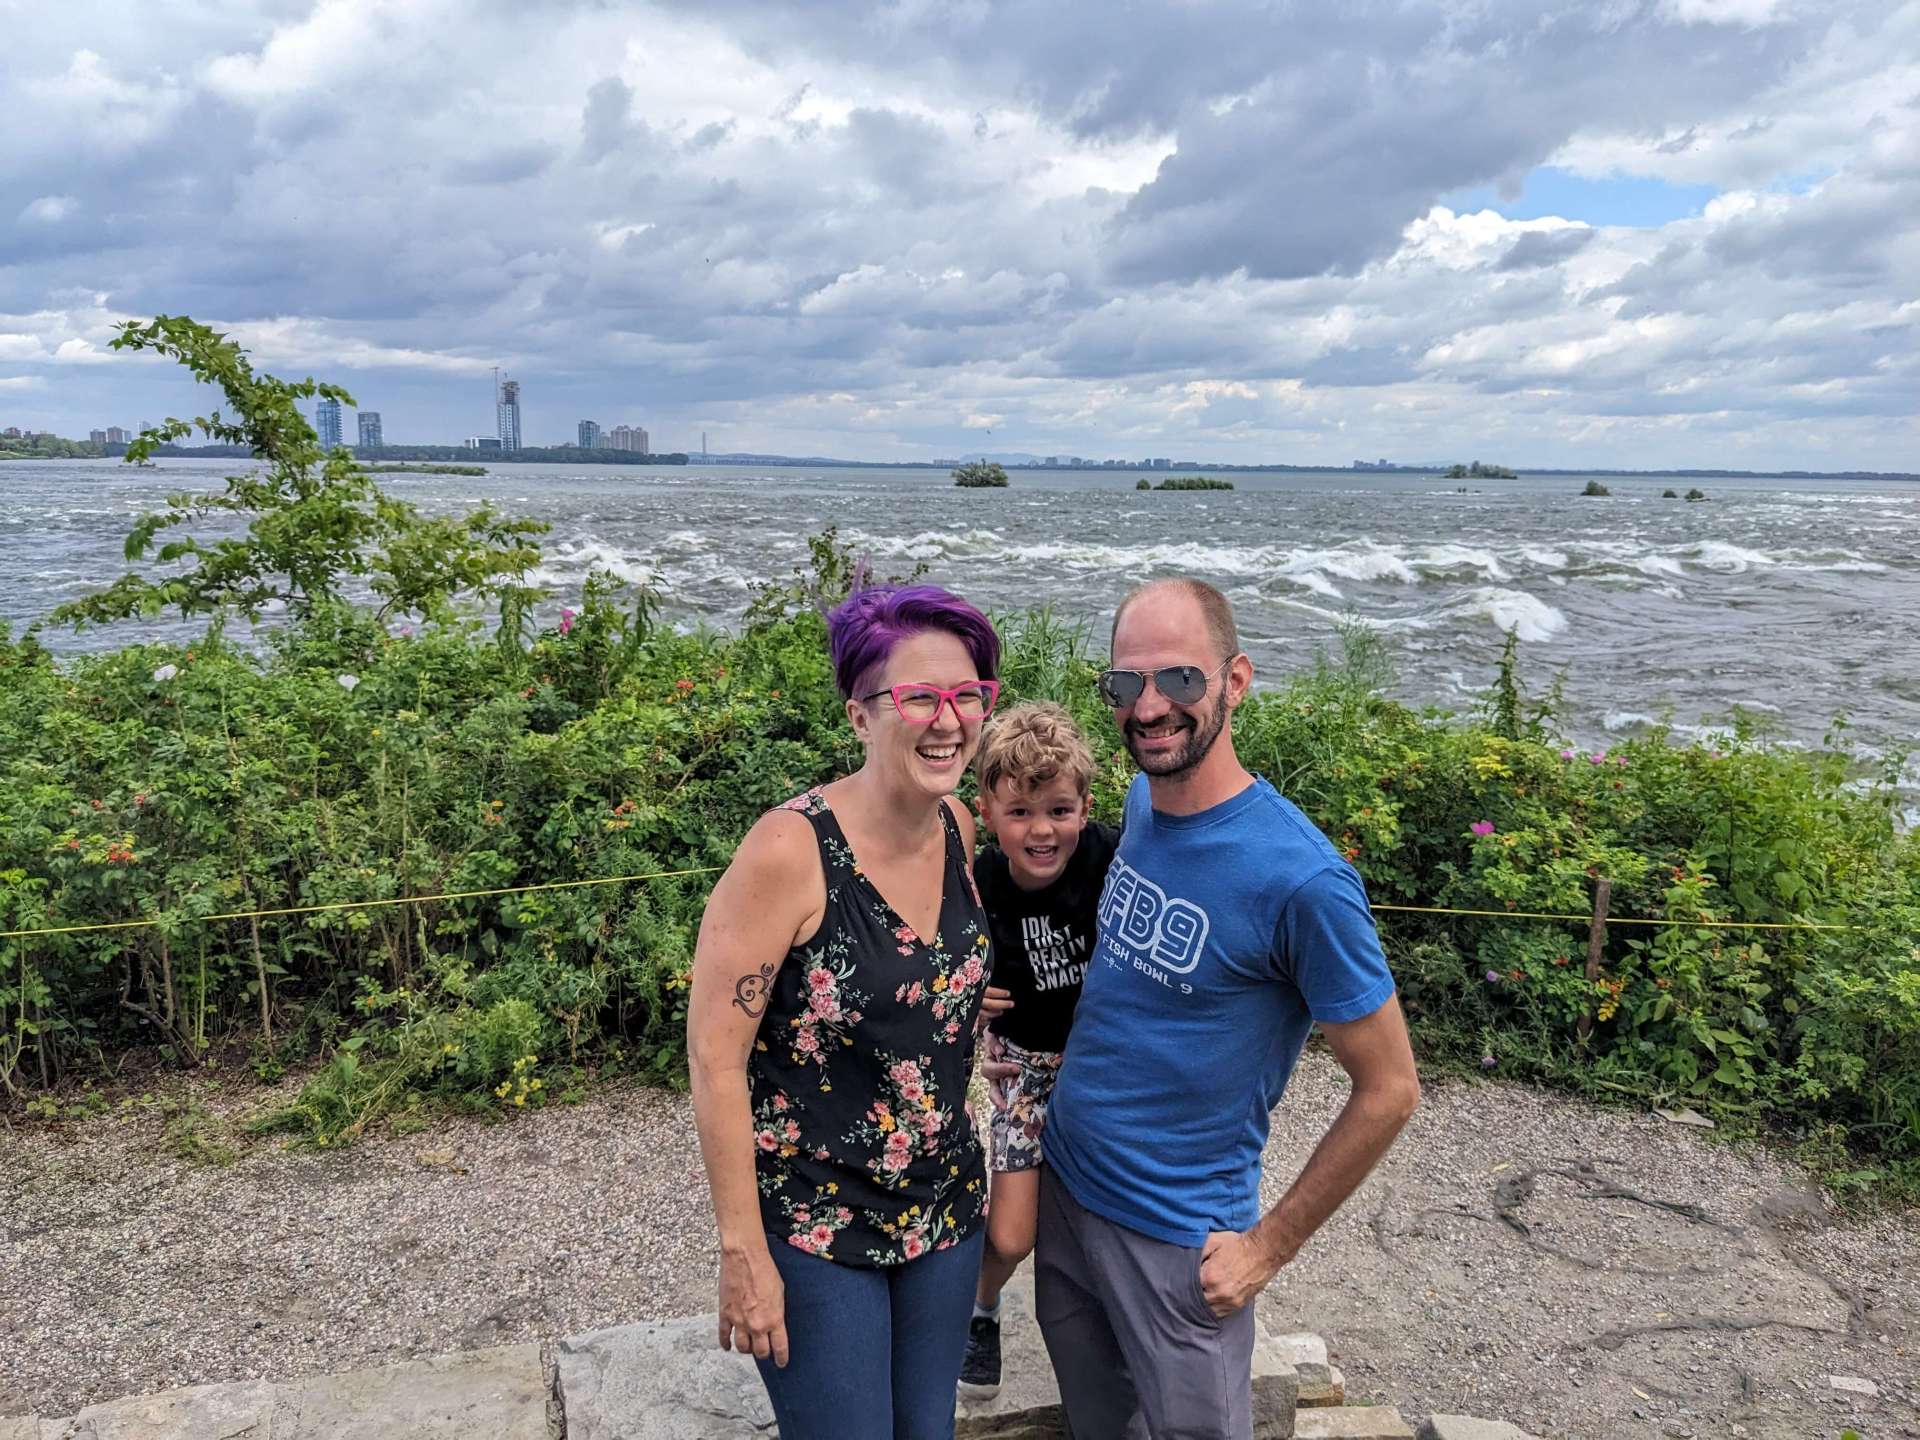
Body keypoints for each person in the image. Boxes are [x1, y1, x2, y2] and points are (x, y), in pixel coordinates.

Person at [1035, 578, 1422, 1440]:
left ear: (1235, 680)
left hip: (1178, 1241)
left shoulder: (1304, 880)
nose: (1149, 707)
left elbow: (1391, 1087)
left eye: (1178, 679)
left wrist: (1266, 1248)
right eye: (1125, 684)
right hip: (1066, 1192)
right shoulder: (1139, 804)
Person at [688, 583, 1012, 1440]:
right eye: (918, 697)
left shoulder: (959, 827)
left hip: (946, 1201)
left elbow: (922, 988)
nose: (948, 719)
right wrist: (742, 1251)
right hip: (816, 1220)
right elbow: (715, 1061)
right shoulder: (788, 852)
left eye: (968, 694)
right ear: (861, 716)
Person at [956, 702, 1119, 1400]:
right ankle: (980, 1308)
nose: (1042, 830)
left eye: (1059, 809)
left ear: (1086, 807)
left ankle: (1117, 1317)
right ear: (987, 814)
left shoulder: (1111, 855)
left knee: (1109, 1210)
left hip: (1102, 1060)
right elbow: (934, 965)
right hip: (1020, 1063)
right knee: (1014, 1233)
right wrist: (970, 999)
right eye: (1020, 813)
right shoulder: (974, 881)